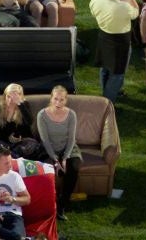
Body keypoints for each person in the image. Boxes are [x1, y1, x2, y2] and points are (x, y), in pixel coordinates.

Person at [36, 86, 83, 221]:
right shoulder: (42, 115)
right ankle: (50, 202)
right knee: (47, 171)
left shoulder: (71, 114)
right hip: (49, 149)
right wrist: (56, 160)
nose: (58, 102)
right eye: (56, 99)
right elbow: (44, 140)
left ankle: (62, 204)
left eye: (62, 100)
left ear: (66, 100)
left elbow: (71, 138)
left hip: (69, 148)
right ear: (51, 98)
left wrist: (65, 158)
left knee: (73, 168)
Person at [89, 0, 138, 102]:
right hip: (121, 43)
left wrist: (120, 2)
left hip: (103, 38)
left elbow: (95, 12)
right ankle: (107, 103)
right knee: (117, 74)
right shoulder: (124, 7)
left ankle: (108, 93)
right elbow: (135, 11)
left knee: (105, 67)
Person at [0, 84, 41, 160]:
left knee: (33, 143)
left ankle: (10, 155)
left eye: (13, 98)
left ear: (20, 98)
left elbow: (30, 122)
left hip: (20, 144)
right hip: (2, 144)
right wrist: (7, 138)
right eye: (8, 96)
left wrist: (20, 104)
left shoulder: (24, 107)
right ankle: (14, 156)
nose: (10, 100)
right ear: (4, 96)